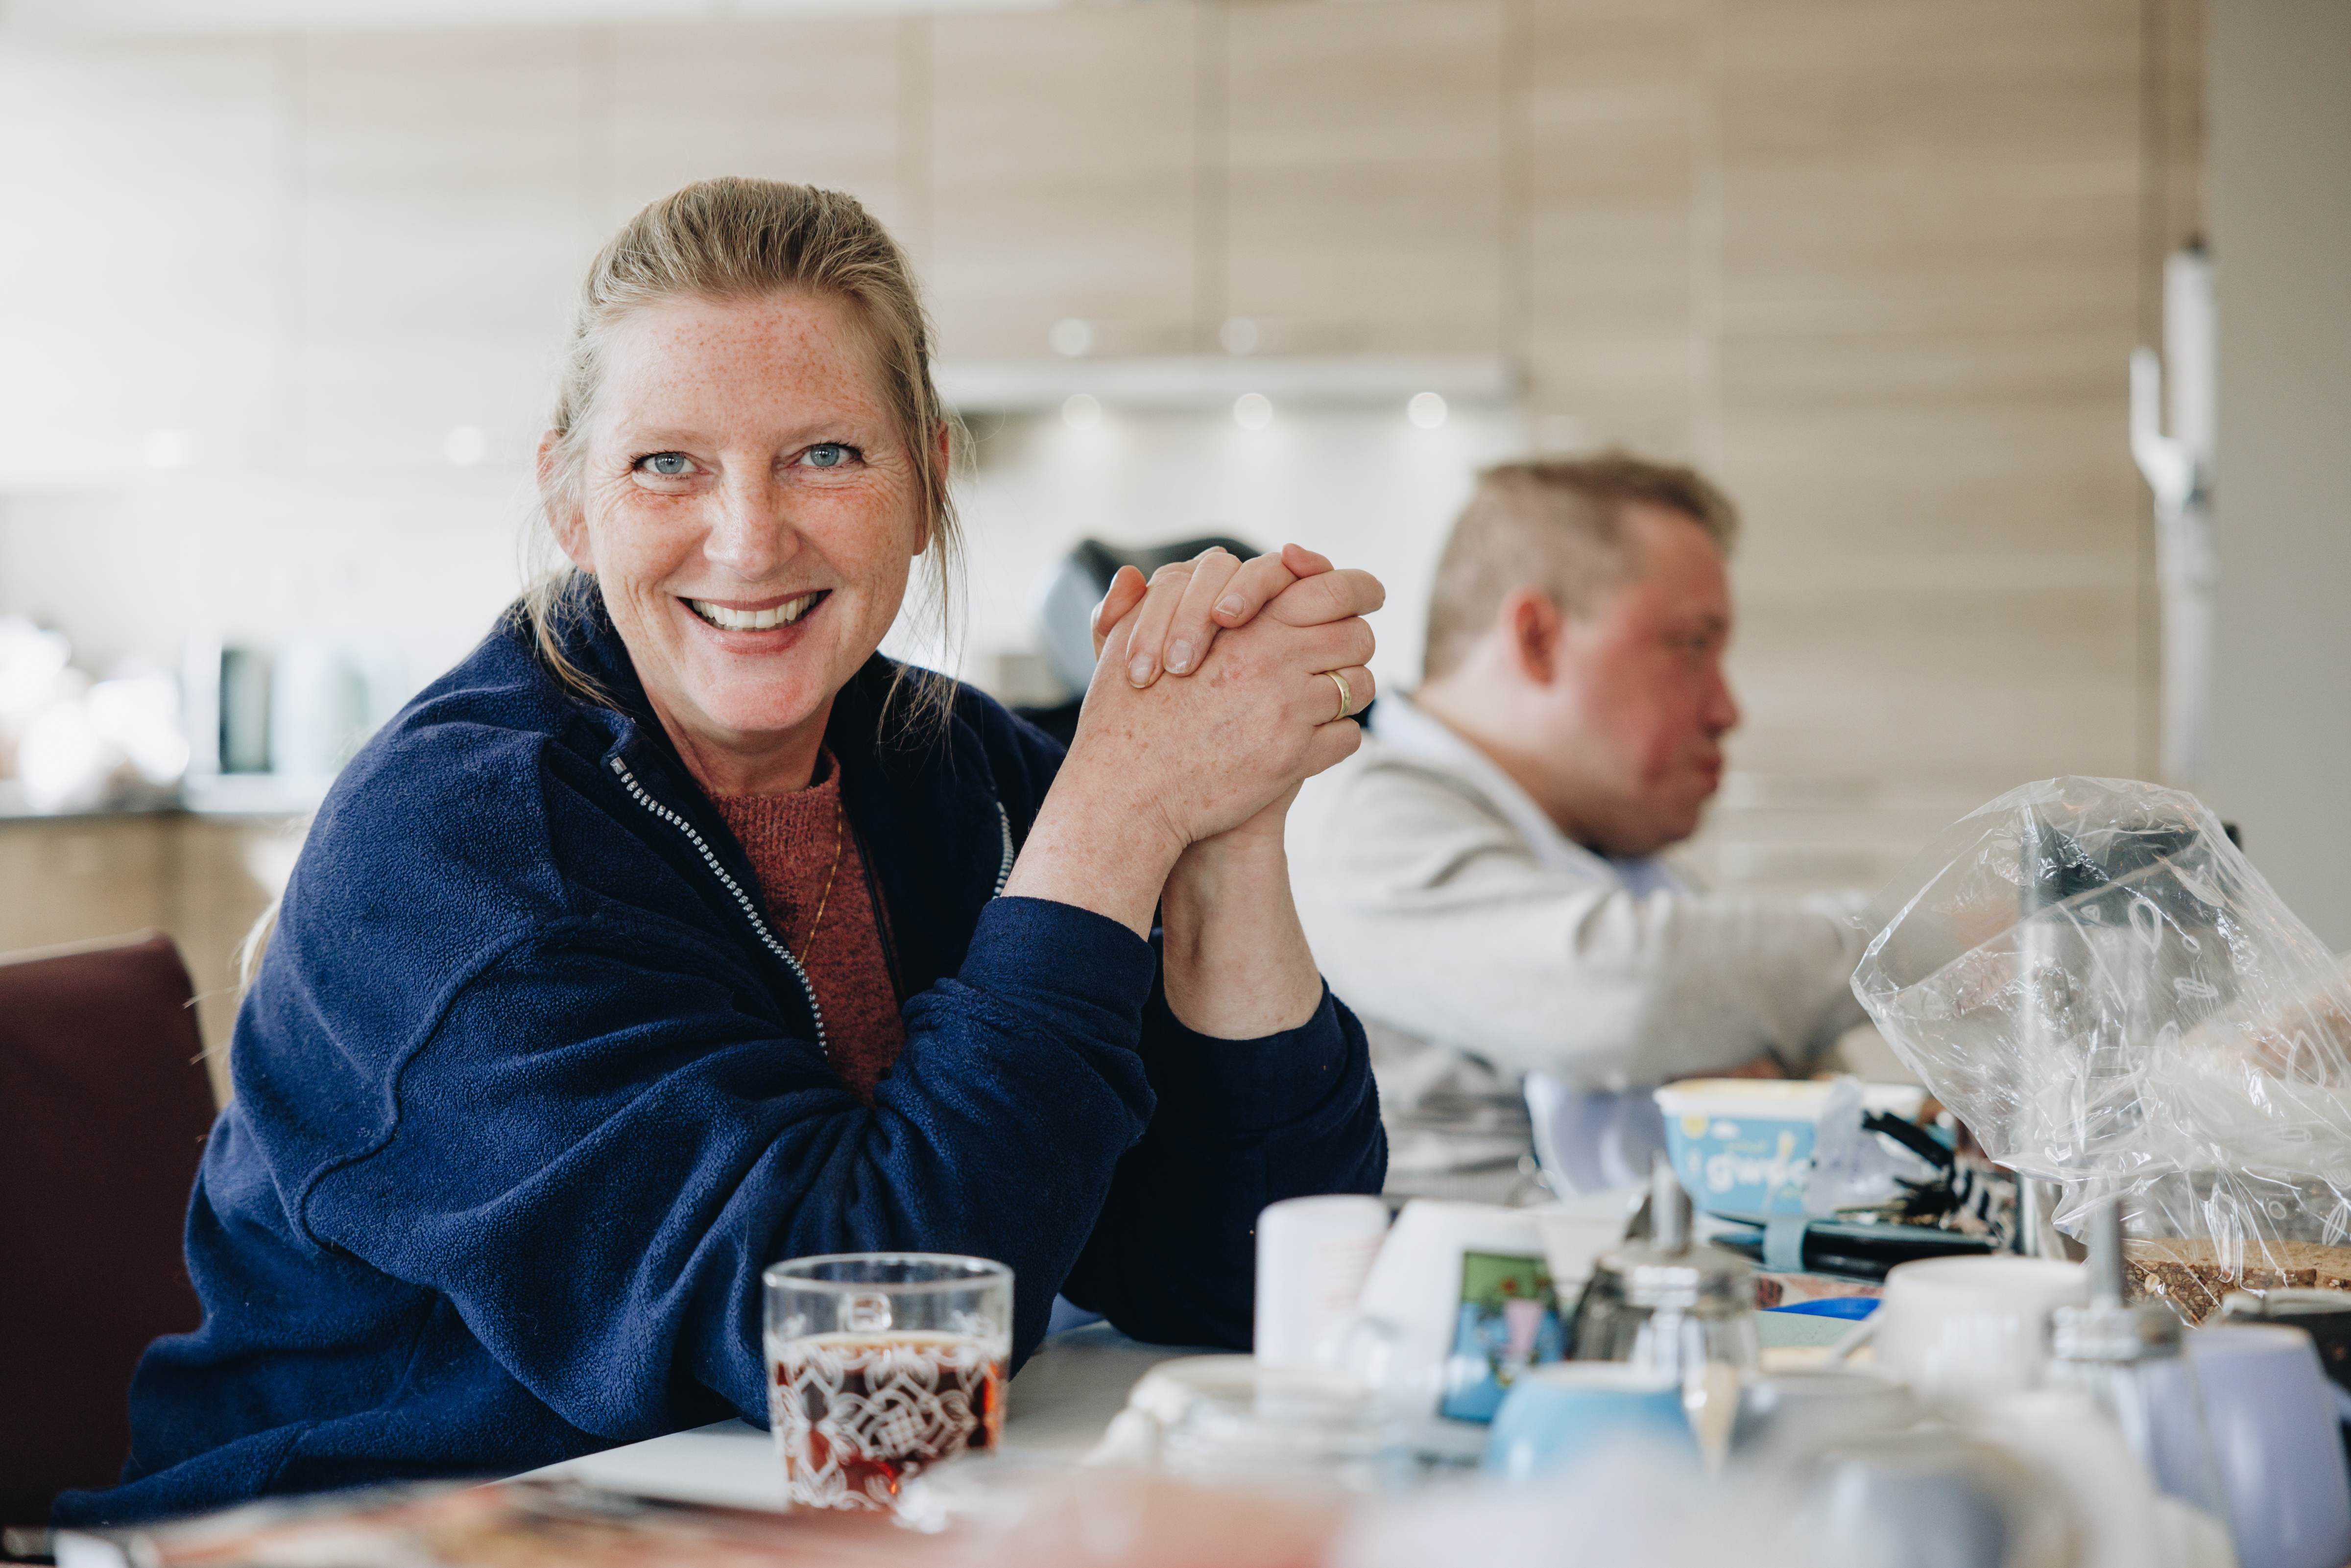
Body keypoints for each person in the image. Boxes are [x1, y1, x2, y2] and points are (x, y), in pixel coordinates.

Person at [59, 178, 1386, 1525]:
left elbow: (1246, 1280)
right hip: (371, 1534)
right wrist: (1117, 816)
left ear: (926, 482)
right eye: (666, 463)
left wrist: (1224, 828)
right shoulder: (463, 854)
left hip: (740, 1517)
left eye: (825, 455)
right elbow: (876, 1364)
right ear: (573, 502)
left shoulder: (955, 772)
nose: (750, 539)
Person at [1286, 455, 1866, 1200]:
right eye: (1691, 646)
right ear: (1538, 639)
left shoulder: (1601, 856)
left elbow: (1806, 1070)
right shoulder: (1351, 812)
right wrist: (1926, 944)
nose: (1726, 710)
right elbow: (1628, 991)